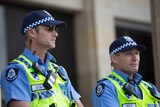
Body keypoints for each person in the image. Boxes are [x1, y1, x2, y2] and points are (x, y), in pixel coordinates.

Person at [1, 10, 84, 107]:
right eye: (49, 28)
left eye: (56, 29)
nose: (56, 34)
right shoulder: (18, 71)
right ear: (32, 32)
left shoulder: (60, 71)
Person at [91, 36, 160, 107]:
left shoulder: (150, 87)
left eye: (137, 53)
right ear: (114, 59)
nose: (135, 58)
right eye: (129, 53)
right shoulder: (107, 87)